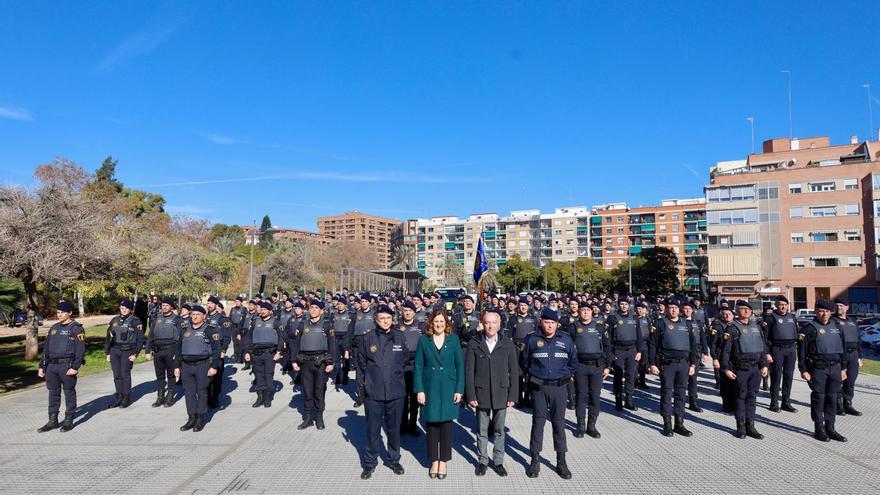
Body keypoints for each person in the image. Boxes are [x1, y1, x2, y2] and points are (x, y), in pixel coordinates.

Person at [521, 308, 577, 479]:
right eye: (546, 322)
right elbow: (524, 362)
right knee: (538, 424)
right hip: (539, 388)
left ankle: (561, 461)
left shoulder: (566, 340)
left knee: (559, 424)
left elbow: (573, 362)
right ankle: (535, 460)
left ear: (557, 324)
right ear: (541, 323)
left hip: (559, 388)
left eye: (553, 323)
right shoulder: (532, 339)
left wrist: (564, 376)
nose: (550, 325)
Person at [465, 309, 518, 477]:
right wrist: (471, 395)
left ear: (499, 324)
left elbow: (514, 370)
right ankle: (482, 460)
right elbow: (469, 371)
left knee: (499, 431)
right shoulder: (475, 342)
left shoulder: (507, 343)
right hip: (481, 393)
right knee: (481, 430)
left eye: (494, 322)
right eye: (487, 322)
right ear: (482, 324)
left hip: (502, 392)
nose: (490, 325)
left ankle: (498, 461)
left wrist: (513, 395)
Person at [414, 309, 464, 479]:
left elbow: (460, 366)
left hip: (449, 387)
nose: (439, 324)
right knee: (432, 425)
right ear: (431, 323)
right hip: (430, 388)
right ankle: (433, 460)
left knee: (446, 426)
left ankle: (443, 461)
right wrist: (419, 390)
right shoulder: (423, 340)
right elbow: (418, 366)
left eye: (442, 321)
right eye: (436, 321)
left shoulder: (454, 339)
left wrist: (459, 389)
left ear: (447, 323)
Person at [357, 304, 406, 479]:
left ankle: (393, 459)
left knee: (393, 429)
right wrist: (366, 384)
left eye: (388, 318)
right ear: (376, 320)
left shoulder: (400, 337)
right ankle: (370, 463)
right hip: (374, 391)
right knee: (373, 429)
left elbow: (404, 359)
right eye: (381, 318)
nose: (385, 321)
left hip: (395, 391)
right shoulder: (367, 338)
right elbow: (361, 364)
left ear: (392, 319)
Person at [647, 298, 699, 437]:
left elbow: (693, 345)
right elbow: (652, 345)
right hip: (667, 364)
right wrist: (652, 364)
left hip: (684, 364)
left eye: (676, 307)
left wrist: (693, 363)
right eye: (670, 307)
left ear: (679, 309)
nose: (673, 310)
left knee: (681, 394)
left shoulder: (687, 324)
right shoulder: (659, 323)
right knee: (666, 394)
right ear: (666, 308)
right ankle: (667, 424)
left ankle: (679, 424)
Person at [798, 300, 848, 442]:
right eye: (821, 311)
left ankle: (830, 428)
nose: (824, 314)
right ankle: (819, 428)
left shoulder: (837, 326)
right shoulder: (808, 329)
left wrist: (843, 368)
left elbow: (842, 349)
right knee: (819, 398)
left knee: (833, 398)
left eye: (827, 311)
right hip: (818, 369)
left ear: (831, 312)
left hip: (836, 368)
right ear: (816, 311)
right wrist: (803, 370)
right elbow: (801, 352)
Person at [719, 300, 769, 439]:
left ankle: (750, 426)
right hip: (740, 369)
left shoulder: (756, 327)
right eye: (742, 309)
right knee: (740, 397)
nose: (746, 311)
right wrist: (726, 369)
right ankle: (740, 427)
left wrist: (764, 365)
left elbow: (762, 348)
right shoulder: (732, 328)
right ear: (736, 310)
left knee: (752, 397)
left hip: (755, 369)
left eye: (748, 309)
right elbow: (726, 351)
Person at [37, 300, 85, 432]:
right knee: (53, 393)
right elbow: (46, 349)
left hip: (67, 366)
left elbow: (80, 350)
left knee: (69, 392)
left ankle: (69, 419)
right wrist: (42, 366)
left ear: (69, 313)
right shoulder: (54, 329)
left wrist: (75, 367)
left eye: (62, 312)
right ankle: (52, 420)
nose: (59, 315)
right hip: (52, 367)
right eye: (58, 312)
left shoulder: (77, 328)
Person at [175, 305, 222, 432]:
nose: (194, 316)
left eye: (198, 314)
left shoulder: (210, 330)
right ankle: (191, 418)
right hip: (186, 365)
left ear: (204, 316)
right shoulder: (184, 329)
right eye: (193, 314)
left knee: (201, 392)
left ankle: (200, 419)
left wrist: (214, 366)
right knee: (189, 393)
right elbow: (179, 348)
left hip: (203, 365)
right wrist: (177, 366)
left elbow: (217, 350)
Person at [291, 300, 336, 429]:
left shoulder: (327, 325)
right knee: (307, 390)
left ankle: (319, 417)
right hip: (306, 363)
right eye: (312, 308)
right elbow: (296, 343)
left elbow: (332, 345)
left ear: (322, 311)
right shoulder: (302, 325)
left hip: (320, 363)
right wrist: (294, 360)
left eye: (317, 308)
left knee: (319, 390)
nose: (314, 310)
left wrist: (331, 362)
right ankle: (309, 417)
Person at [568, 304, 611, 439]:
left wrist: (607, 366)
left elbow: (607, 347)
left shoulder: (599, 327)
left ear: (592, 312)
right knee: (580, 396)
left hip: (597, 367)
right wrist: (569, 369)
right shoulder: (573, 327)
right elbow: (568, 349)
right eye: (583, 310)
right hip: (580, 366)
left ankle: (591, 426)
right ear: (579, 312)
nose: (585, 312)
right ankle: (580, 425)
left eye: (588, 310)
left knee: (595, 396)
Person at [243, 301, 283, 408]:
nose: (263, 311)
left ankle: (267, 397)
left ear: (270, 311)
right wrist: (247, 352)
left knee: (268, 375)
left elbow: (281, 338)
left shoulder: (276, 322)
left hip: (270, 353)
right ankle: (260, 397)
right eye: (262, 309)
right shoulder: (255, 321)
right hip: (256, 353)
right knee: (258, 375)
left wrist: (279, 352)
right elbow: (249, 338)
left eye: (265, 310)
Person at [105, 300, 144, 409]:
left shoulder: (135, 321)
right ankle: (119, 396)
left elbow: (140, 339)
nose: (124, 310)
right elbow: (108, 337)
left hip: (127, 351)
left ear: (131, 309)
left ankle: (126, 397)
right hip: (114, 351)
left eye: (126, 308)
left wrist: (135, 353)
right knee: (117, 375)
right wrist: (108, 352)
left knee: (124, 374)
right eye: (122, 307)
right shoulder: (114, 320)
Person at [606, 298, 644, 412]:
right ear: (618, 305)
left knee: (631, 376)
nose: (624, 306)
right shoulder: (612, 318)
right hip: (618, 350)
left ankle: (629, 400)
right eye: (621, 304)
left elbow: (639, 336)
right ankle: (618, 401)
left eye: (626, 304)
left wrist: (639, 351)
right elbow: (608, 337)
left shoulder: (634, 318)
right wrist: (611, 353)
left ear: (629, 306)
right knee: (618, 376)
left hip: (632, 350)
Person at [763, 295, 799, 413]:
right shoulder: (770, 318)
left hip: (791, 350)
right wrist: (767, 353)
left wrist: (796, 350)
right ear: (776, 306)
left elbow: (797, 334)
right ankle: (774, 402)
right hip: (777, 349)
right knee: (776, 376)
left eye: (785, 305)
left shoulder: (792, 318)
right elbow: (765, 337)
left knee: (788, 376)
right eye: (780, 305)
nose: (783, 307)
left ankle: (786, 402)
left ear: (788, 306)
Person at [145, 297, 182, 408]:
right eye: (163, 305)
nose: (165, 307)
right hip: (158, 350)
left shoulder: (177, 319)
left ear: (171, 307)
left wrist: (179, 352)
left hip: (171, 349)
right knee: (159, 375)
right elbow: (151, 336)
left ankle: (170, 397)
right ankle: (160, 397)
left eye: (167, 305)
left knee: (171, 375)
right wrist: (147, 350)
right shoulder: (157, 318)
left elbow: (181, 337)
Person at [398, 301, 424, 435]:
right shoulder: (396, 326)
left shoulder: (421, 326)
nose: (407, 313)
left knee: (414, 398)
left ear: (414, 312)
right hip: (401, 365)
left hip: (416, 366)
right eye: (405, 310)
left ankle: (413, 424)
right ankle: (403, 424)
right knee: (402, 397)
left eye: (410, 310)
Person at [833, 298, 863, 416]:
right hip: (840, 355)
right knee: (838, 381)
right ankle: (838, 404)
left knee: (850, 381)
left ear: (847, 307)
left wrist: (860, 356)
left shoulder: (853, 321)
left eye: (841, 305)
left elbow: (858, 339)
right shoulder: (832, 321)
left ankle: (848, 404)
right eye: (837, 306)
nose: (839, 308)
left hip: (853, 355)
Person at [506, 300, 538, 407]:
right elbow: (508, 336)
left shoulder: (533, 319)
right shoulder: (513, 319)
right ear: (518, 307)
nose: (523, 307)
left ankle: (529, 398)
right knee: (518, 374)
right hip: (517, 349)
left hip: (531, 349)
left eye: (525, 305)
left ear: (528, 307)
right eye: (521, 305)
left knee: (530, 374)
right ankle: (518, 398)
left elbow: (538, 335)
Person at [205, 296, 232, 408]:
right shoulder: (204, 318)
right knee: (205, 378)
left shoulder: (222, 319)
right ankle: (207, 397)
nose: (209, 305)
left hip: (217, 351)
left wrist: (224, 350)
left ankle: (215, 398)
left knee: (216, 379)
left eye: (211, 303)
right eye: (208, 303)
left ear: (216, 305)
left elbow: (227, 337)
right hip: (205, 352)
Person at [350, 294, 376, 407]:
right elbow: (350, 331)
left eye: (366, 301)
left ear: (370, 302)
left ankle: (372, 394)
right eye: (362, 301)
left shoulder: (375, 314)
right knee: (359, 371)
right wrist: (348, 348)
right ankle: (360, 397)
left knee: (372, 370)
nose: (364, 303)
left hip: (371, 345)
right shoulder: (355, 314)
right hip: (357, 345)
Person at [331, 297, 354, 390]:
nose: (340, 306)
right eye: (339, 304)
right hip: (336, 338)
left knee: (346, 359)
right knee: (335, 359)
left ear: (345, 305)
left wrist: (349, 341)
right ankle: (336, 377)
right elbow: (331, 327)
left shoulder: (349, 315)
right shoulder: (333, 314)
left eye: (342, 304)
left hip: (345, 338)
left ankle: (345, 377)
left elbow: (351, 329)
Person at [228, 296, 248, 364]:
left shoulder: (244, 309)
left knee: (240, 343)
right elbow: (230, 318)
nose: (237, 303)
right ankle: (235, 357)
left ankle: (240, 358)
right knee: (235, 343)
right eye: (236, 301)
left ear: (241, 302)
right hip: (233, 327)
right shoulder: (232, 309)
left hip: (240, 328)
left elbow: (245, 320)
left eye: (238, 301)